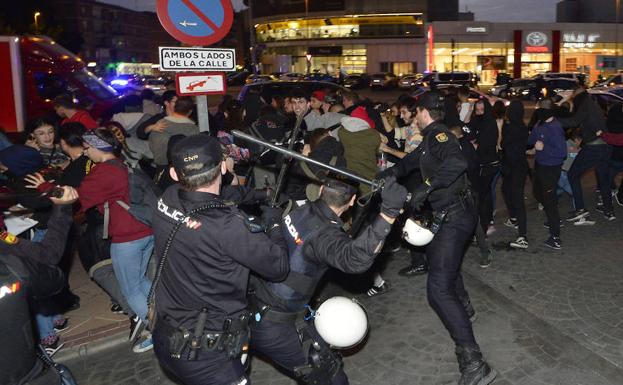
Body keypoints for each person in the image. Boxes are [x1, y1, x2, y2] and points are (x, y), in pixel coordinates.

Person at [151, 134, 289, 385]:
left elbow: (208, 199)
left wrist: (256, 195)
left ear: (174, 174)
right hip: (207, 355)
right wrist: (274, 222)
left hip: (167, 336)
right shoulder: (228, 227)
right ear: (224, 167)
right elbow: (278, 267)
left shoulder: (167, 198)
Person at [381, 91, 496, 385]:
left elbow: (457, 164)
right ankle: (465, 307)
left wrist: (427, 187)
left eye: (414, 113)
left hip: (455, 216)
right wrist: (387, 175)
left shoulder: (440, 136)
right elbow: (411, 161)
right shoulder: (430, 137)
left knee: (438, 289)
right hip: (449, 214)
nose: (412, 118)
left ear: (422, 112)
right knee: (441, 264)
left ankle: (474, 362)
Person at [249, 175, 407, 385]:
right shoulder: (325, 234)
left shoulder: (301, 209)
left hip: (266, 305)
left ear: (321, 189)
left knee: (325, 362)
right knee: (333, 378)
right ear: (352, 201)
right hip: (275, 324)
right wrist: (388, 215)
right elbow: (355, 260)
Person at [77, 128, 155, 352]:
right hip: (145, 230)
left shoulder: (103, 172)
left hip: (127, 237)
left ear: (97, 147)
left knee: (130, 289)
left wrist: (45, 188)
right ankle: (170, 319)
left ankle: (160, 332)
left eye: (87, 148)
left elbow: (78, 196)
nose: (85, 153)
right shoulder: (123, 164)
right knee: (140, 280)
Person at [558, 85, 615, 221]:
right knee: (604, 179)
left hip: (594, 147)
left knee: (572, 174)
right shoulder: (592, 104)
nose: (572, 99)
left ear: (577, 93)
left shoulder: (584, 103)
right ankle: (608, 210)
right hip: (605, 147)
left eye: (573, 96)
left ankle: (580, 209)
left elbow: (574, 121)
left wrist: (554, 120)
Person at [527, 98, 568, 250]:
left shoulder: (556, 127)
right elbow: (531, 140)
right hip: (540, 166)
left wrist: (543, 147)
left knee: (549, 201)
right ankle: (554, 219)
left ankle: (555, 237)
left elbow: (562, 153)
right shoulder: (541, 123)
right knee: (538, 193)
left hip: (551, 168)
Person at [501, 101, 530, 249]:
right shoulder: (522, 127)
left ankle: (523, 235)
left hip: (514, 167)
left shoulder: (511, 128)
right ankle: (514, 219)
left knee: (517, 199)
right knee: (506, 190)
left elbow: (505, 145)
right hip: (518, 166)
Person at [469, 99, 500, 236]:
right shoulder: (477, 122)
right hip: (479, 165)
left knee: (484, 196)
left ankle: (486, 224)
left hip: (488, 165)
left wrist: (476, 145)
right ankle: (485, 223)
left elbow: (485, 144)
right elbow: (467, 129)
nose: (480, 113)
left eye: (482, 110)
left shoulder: (490, 123)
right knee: (482, 195)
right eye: (477, 110)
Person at [149, 96, 199, 170]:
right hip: (182, 169)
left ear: (174, 107)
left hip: (160, 168)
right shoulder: (192, 129)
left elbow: (152, 144)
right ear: (190, 111)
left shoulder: (159, 124)